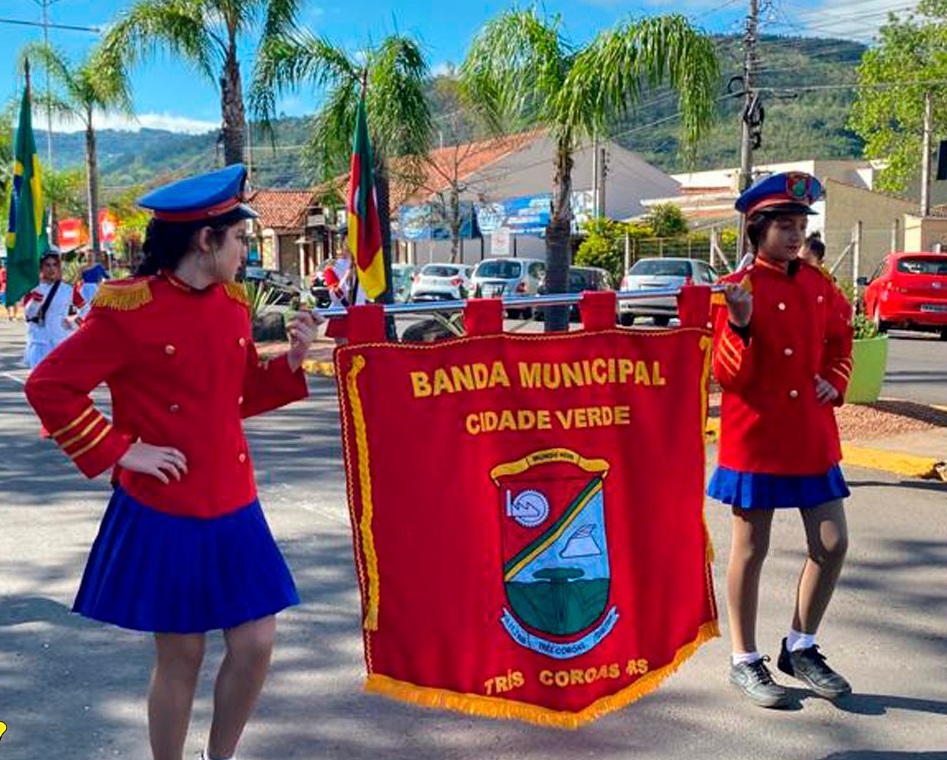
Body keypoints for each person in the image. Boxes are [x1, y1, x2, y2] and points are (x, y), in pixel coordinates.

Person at [24, 164, 322, 760]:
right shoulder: (130, 310)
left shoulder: (233, 305)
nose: (246, 250)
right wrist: (122, 448)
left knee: (256, 642)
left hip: (233, 498)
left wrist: (291, 361)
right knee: (181, 653)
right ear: (205, 239)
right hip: (167, 504)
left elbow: (232, 397)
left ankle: (221, 756)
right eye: (239, 238)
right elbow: (49, 385)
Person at [708, 172, 855, 709]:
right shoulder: (736, 288)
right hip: (758, 439)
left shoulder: (819, 285)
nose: (795, 236)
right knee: (751, 549)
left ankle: (801, 645)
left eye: (800, 225)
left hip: (812, 437)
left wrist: (834, 379)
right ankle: (744, 659)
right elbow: (728, 377)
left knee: (833, 543)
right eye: (785, 226)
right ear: (757, 228)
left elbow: (841, 337)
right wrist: (741, 324)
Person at [22, 247, 85, 369]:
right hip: (39, 342)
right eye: (47, 265)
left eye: (55, 265)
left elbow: (84, 309)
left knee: (61, 382)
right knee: (39, 382)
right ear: (41, 267)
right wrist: (35, 300)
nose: (52, 269)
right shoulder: (33, 289)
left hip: (61, 341)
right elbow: (29, 316)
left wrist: (73, 322)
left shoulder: (67, 289)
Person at [322, 226, 367, 345]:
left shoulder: (366, 264)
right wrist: (348, 274)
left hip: (363, 313)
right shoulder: (332, 267)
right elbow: (335, 295)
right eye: (349, 239)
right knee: (345, 354)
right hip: (342, 314)